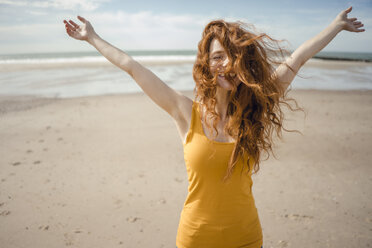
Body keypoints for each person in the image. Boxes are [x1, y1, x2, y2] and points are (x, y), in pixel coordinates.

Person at [63, 6, 364, 248]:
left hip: (246, 237)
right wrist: (92, 37)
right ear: (206, 64)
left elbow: (296, 60)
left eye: (233, 56)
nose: (227, 64)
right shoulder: (184, 112)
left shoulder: (256, 109)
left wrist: (335, 26)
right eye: (218, 57)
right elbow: (132, 66)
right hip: (195, 238)